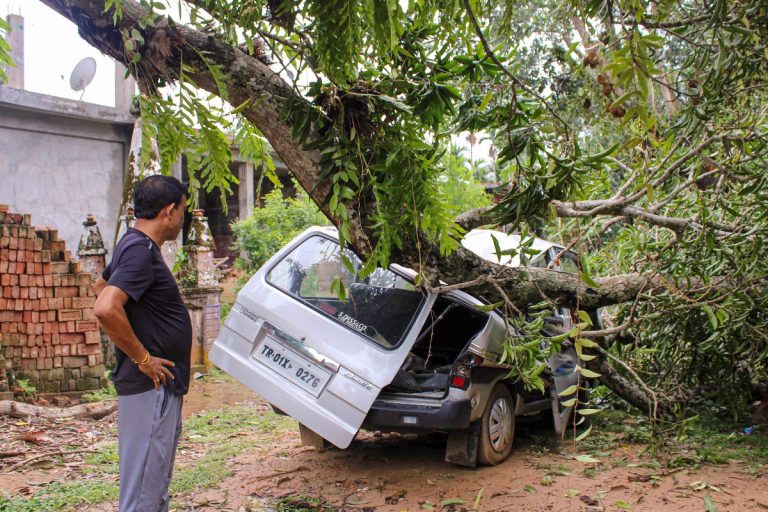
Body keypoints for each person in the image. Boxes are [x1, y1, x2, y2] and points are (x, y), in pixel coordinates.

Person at [93, 175, 192, 512]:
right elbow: (105, 307)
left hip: (155, 387)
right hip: (150, 386)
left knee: (153, 484)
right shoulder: (138, 250)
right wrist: (143, 357)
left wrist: (142, 325)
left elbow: (100, 286)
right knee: (143, 495)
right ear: (169, 211)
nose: (183, 217)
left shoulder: (132, 243)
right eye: (182, 210)